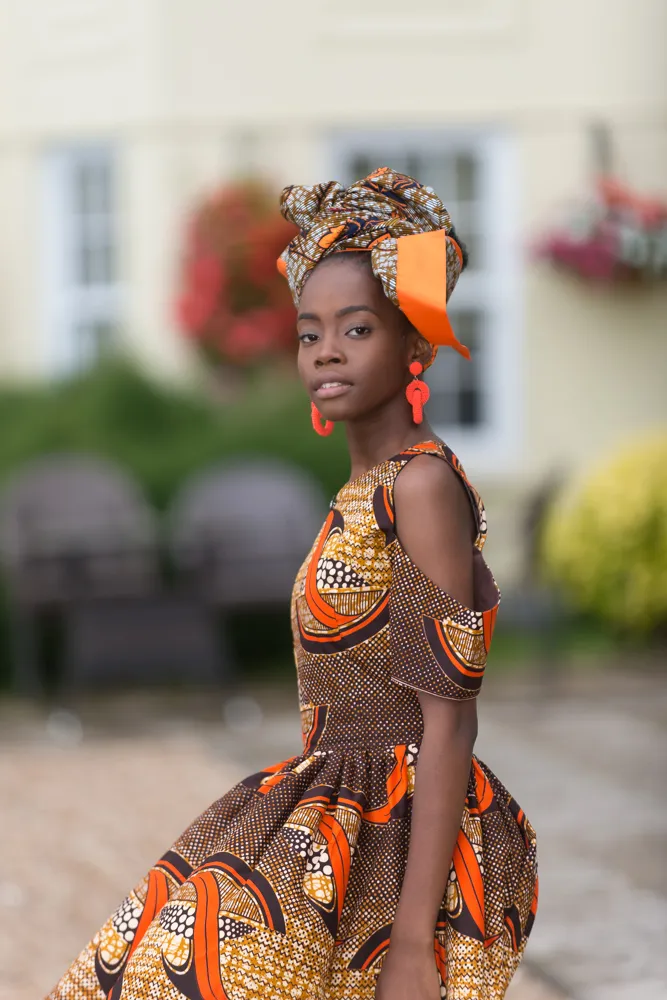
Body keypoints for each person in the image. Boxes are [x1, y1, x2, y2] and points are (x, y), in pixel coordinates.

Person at [47, 167, 538, 1000]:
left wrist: (412, 944)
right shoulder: (364, 487)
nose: (326, 353)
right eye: (310, 334)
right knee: (143, 964)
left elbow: (448, 718)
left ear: (414, 343)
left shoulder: (418, 487)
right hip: (329, 804)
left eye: (357, 329)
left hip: (397, 832)